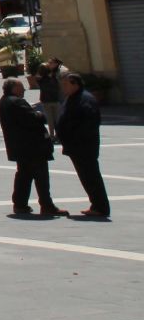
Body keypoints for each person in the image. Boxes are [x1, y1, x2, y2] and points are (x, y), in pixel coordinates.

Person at [0, 78, 63, 219]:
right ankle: (47, 205)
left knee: (24, 176)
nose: (24, 90)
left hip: (20, 147)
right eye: (21, 88)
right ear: (14, 88)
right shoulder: (16, 102)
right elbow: (33, 118)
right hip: (32, 147)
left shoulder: (4, 101)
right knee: (41, 177)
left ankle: (20, 204)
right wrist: (39, 114)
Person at [56, 73, 110, 220]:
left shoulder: (85, 99)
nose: (63, 88)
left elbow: (89, 124)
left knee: (91, 177)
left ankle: (100, 207)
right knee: (86, 177)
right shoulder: (73, 98)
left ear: (75, 84)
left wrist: (74, 138)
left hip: (83, 147)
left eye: (66, 85)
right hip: (76, 147)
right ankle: (95, 205)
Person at [38, 60, 65, 129]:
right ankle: (57, 134)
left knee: (50, 119)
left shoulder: (40, 79)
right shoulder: (53, 77)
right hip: (54, 99)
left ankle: (52, 135)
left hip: (46, 100)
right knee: (57, 118)